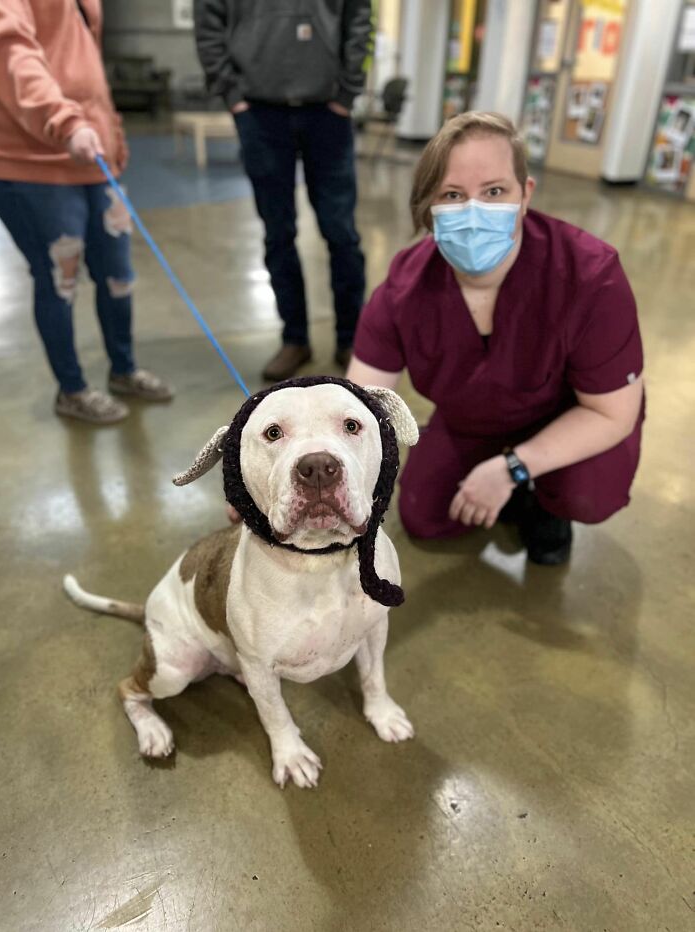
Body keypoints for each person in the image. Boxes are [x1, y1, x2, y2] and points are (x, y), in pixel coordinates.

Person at [347, 112, 644, 565]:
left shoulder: (589, 277)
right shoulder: (405, 288)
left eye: (494, 191)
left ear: (524, 196)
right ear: (429, 206)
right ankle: (503, 477)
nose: (473, 212)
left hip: (572, 416)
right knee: (424, 516)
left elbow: (612, 412)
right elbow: (360, 404)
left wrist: (513, 469)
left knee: (586, 492)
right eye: (451, 194)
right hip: (476, 419)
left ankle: (543, 502)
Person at [0, 0, 173, 425]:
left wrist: (112, 133)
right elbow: (12, 55)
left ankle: (124, 369)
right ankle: (71, 389)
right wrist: (66, 122)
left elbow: (88, 67)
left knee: (117, 276)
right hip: (34, 163)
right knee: (59, 280)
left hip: (92, 156)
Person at [194, 0, 372, 381]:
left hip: (328, 111)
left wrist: (348, 91)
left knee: (341, 233)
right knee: (279, 234)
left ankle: (351, 340)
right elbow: (208, 24)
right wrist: (232, 95)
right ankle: (295, 339)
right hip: (260, 114)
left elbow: (359, 16)